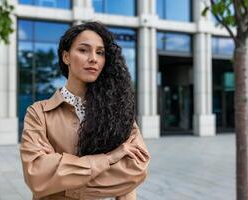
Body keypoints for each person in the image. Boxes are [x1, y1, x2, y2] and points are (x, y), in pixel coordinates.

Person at [20, 21, 150, 200]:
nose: (93, 59)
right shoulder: (38, 113)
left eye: (100, 52)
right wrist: (109, 159)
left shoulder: (118, 110)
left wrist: (58, 181)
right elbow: (36, 176)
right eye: (83, 50)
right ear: (66, 57)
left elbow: (134, 172)